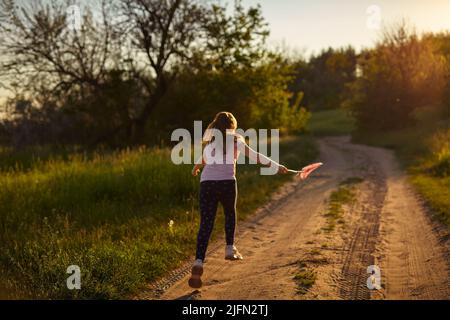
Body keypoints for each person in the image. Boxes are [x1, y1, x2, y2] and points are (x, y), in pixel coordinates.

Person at [188, 111, 290, 288]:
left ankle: (198, 261)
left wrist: (196, 168)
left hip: (207, 184)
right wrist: (276, 166)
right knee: (230, 213)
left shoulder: (211, 142)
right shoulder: (236, 140)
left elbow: (205, 159)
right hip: (227, 183)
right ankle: (229, 248)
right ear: (231, 127)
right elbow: (256, 156)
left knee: (206, 223)